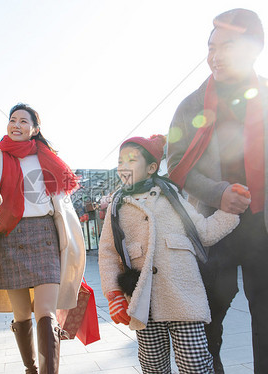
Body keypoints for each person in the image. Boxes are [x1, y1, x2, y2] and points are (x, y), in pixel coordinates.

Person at [166, 9, 268, 374]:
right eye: (210, 47)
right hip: (215, 226)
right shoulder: (191, 105)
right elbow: (177, 163)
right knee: (211, 310)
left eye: (225, 46)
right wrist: (219, 194)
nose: (213, 56)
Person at [98, 135, 240, 374]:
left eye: (131, 160)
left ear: (152, 167)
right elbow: (108, 252)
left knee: (195, 364)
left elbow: (203, 232)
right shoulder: (117, 205)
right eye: (120, 161)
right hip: (144, 301)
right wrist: (113, 295)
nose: (123, 166)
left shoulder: (172, 197)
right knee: (153, 365)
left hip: (184, 295)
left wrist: (229, 211)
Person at [0, 103, 86, 374]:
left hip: (45, 236)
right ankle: (31, 368)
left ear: (35, 129)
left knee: (46, 313)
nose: (16, 125)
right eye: (12, 120)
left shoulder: (47, 158)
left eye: (23, 121)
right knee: (21, 314)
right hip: (10, 235)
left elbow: (62, 199)